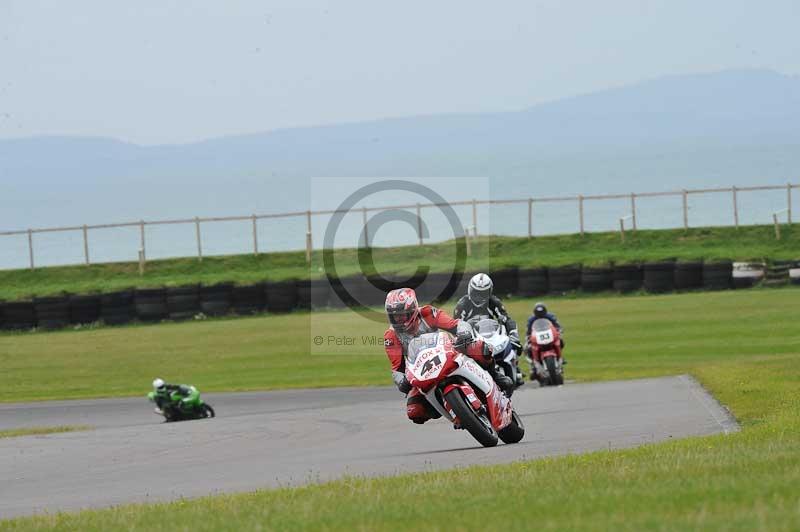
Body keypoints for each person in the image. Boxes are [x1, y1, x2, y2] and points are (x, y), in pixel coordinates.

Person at [384, 287, 514, 424]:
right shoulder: (391, 336)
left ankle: (496, 376)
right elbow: (397, 368)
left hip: (446, 351)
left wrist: (463, 333)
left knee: (478, 347)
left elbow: (456, 324)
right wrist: (401, 381)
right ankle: (451, 407)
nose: (398, 319)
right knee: (415, 411)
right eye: (394, 316)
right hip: (422, 370)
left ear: (412, 309)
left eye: (402, 315)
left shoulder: (427, 313)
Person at [453, 273, 521, 349]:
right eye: (475, 292)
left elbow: (507, 320)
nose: (478, 297)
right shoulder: (462, 304)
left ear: (489, 292)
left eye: (482, 293)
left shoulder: (494, 302)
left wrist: (514, 336)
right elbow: (456, 327)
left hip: (492, 338)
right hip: (470, 340)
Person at [523, 302, 565, 380]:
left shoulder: (550, 317)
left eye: (541, 313)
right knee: (527, 348)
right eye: (538, 313)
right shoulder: (531, 319)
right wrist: (528, 336)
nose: (540, 315)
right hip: (537, 336)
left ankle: (560, 357)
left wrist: (559, 331)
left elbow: (557, 325)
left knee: (560, 341)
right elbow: (528, 330)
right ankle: (532, 367)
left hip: (549, 335)